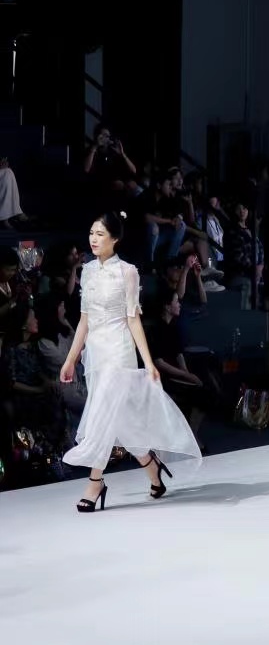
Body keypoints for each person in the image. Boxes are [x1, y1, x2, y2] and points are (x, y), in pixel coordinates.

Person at [59, 211, 201, 512]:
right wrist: (71, 359)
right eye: (91, 233)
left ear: (115, 238)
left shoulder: (128, 272)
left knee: (102, 414)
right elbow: (84, 320)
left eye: (100, 234)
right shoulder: (87, 271)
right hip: (95, 353)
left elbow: (133, 319)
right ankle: (153, 470)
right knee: (123, 420)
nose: (93, 239)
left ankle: (95, 482)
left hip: (119, 350)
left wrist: (148, 362)